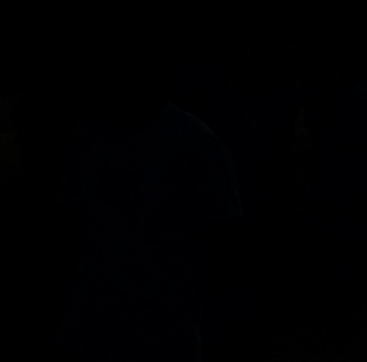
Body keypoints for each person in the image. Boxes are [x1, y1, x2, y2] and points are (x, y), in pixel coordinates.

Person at [57, 38, 243, 362]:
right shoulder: (90, 135)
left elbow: (224, 239)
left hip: (160, 327)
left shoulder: (194, 143)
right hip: (102, 319)